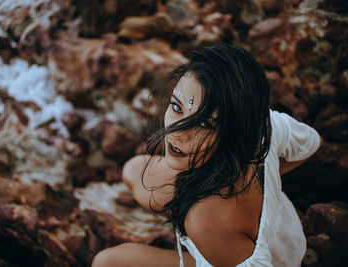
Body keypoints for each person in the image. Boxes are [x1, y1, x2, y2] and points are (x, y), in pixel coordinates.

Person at [91, 43, 322, 267]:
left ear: (234, 133)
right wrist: (270, 177)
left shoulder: (205, 219)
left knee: (106, 262)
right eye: (177, 107)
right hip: (275, 231)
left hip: (252, 254)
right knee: (135, 170)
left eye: (204, 124)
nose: (177, 134)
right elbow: (312, 142)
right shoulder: (263, 128)